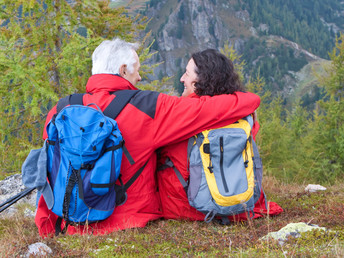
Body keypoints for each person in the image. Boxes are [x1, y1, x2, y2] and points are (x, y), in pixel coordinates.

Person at [35, 38, 261, 237]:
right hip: (125, 220)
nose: (140, 76)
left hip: (66, 221)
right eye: (137, 70)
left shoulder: (59, 109)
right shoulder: (148, 106)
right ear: (123, 70)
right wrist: (249, 99)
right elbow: (210, 109)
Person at [157, 49, 283, 221]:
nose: (182, 78)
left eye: (186, 73)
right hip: (243, 205)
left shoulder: (182, 114)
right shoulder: (240, 110)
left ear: (200, 81)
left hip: (188, 208)